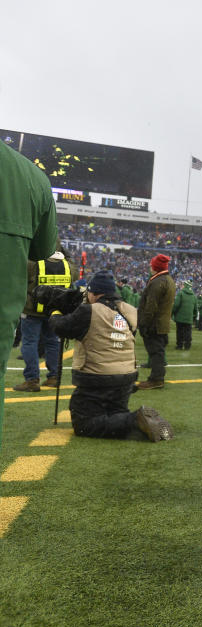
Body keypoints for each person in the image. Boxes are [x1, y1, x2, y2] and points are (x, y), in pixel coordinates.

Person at [47, 271, 173, 441]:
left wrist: (54, 312)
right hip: (126, 379)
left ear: (94, 292)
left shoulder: (89, 311)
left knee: (84, 423)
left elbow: (61, 327)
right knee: (114, 413)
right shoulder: (130, 310)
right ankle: (139, 424)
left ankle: (134, 420)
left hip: (97, 378)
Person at [0, 140, 59, 445]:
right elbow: (43, 250)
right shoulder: (32, 178)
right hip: (41, 309)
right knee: (49, 343)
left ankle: (34, 378)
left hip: (31, 309)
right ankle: (51, 376)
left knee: (32, 345)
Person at [14, 250, 75, 392]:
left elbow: (20, 278)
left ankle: (32, 380)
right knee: (53, 342)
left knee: (29, 342)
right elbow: (75, 277)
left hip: (31, 310)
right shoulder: (68, 266)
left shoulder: (33, 264)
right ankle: (54, 377)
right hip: (54, 310)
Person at [137, 254, 175, 390]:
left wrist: (143, 323)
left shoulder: (158, 282)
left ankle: (156, 379)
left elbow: (151, 306)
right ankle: (156, 378)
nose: (150, 267)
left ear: (156, 267)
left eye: (152, 265)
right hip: (161, 323)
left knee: (155, 353)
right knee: (157, 352)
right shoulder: (168, 280)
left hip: (155, 324)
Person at [172, 280, 197, 350]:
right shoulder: (194, 296)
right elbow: (195, 309)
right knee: (188, 332)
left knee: (179, 331)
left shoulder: (181, 294)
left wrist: (172, 313)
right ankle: (187, 345)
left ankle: (179, 345)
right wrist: (194, 317)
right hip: (189, 318)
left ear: (185, 285)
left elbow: (176, 305)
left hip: (180, 317)